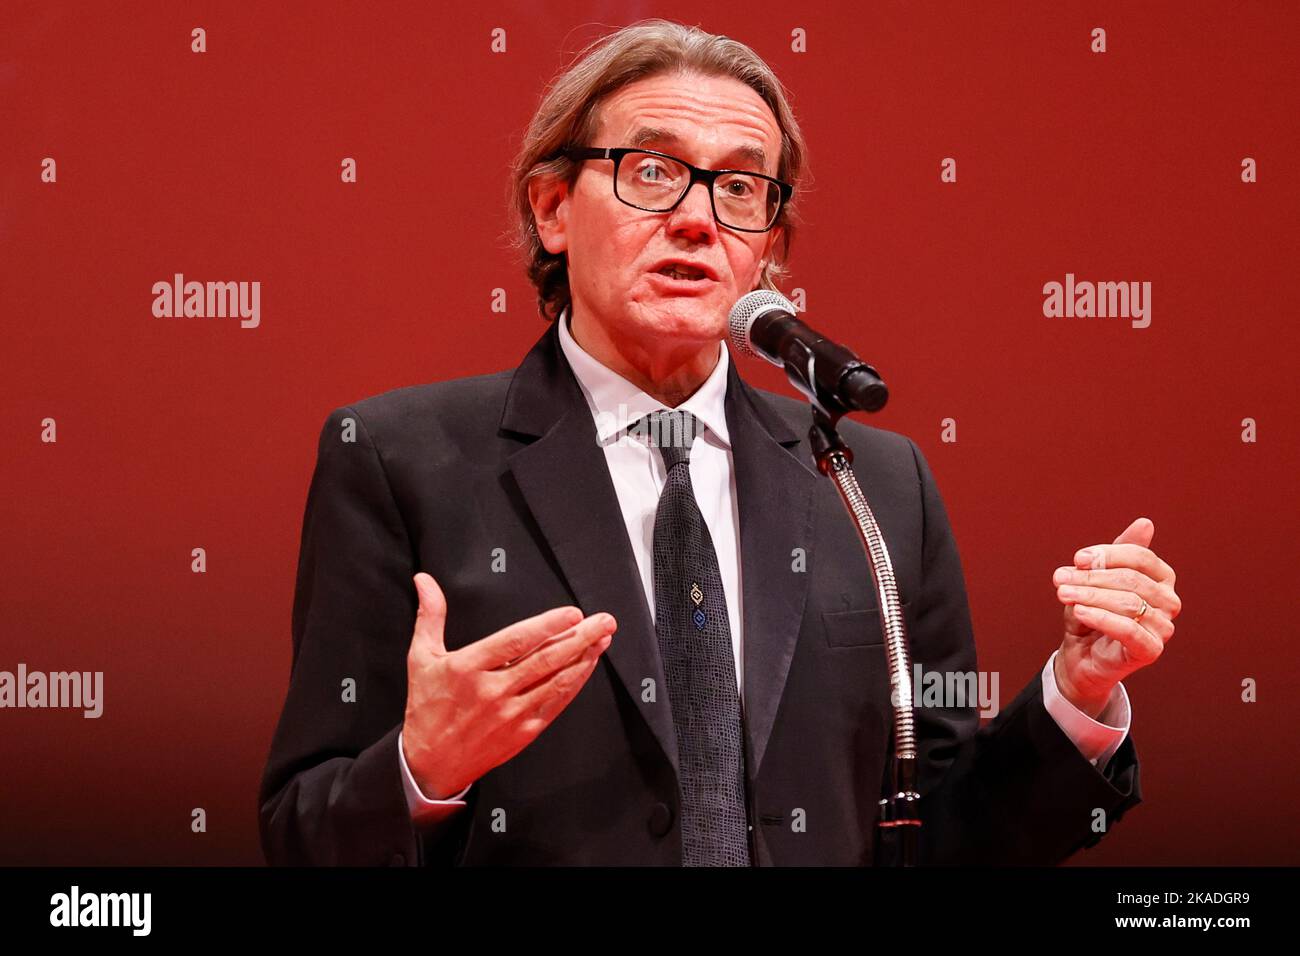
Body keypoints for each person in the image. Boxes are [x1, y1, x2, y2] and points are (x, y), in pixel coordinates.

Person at [258, 19, 1181, 866]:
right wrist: (425, 768)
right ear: (550, 209)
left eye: (741, 186)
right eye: (651, 170)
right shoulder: (398, 459)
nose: (699, 216)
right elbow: (303, 830)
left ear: (767, 248)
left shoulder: (873, 482)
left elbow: (941, 831)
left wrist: (1079, 696)